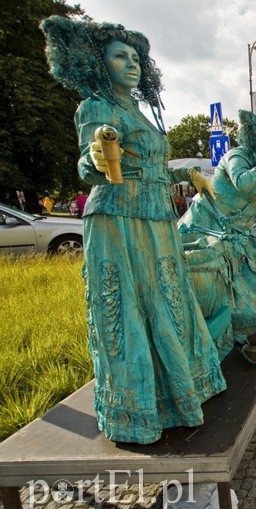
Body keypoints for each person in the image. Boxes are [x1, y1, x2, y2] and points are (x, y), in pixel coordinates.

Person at [41, 16, 225, 444]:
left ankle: (179, 393)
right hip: (118, 220)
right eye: (119, 56)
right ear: (98, 64)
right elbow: (88, 165)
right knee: (126, 308)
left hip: (157, 217)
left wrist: (190, 183)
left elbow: (153, 160)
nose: (131, 63)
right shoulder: (96, 107)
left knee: (167, 300)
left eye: (135, 57)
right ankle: (137, 411)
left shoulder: (136, 109)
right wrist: (98, 156)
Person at [179, 110, 256, 343]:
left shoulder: (255, 162)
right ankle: (228, 332)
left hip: (236, 232)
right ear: (254, 139)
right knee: (217, 285)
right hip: (208, 225)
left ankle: (252, 326)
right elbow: (242, 183)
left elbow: (251, 200)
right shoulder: (237, 156)